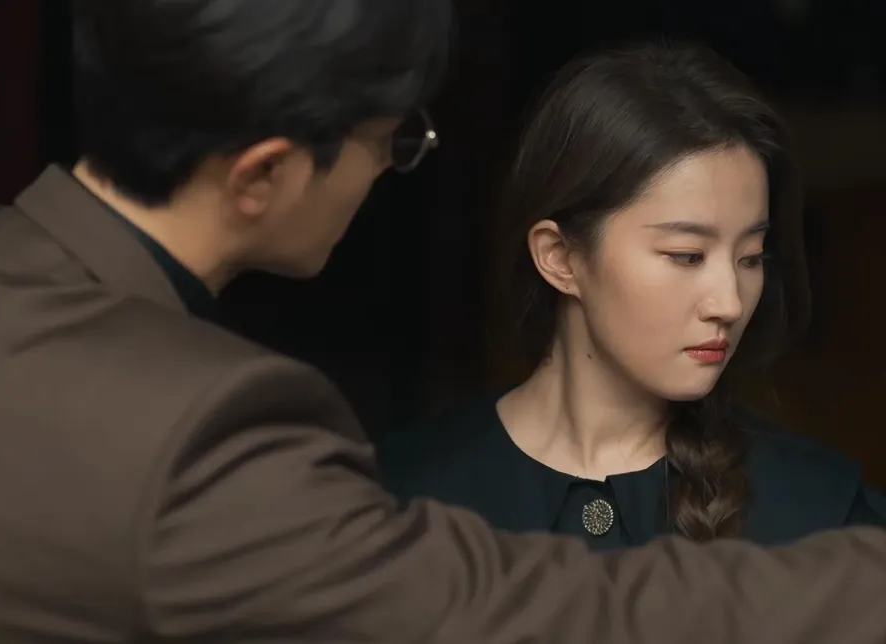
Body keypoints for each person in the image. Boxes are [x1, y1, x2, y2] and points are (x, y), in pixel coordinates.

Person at [0, 2, 883, 641]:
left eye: (751, 255)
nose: (390, 168)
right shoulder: (210, 440)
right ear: (265, 172)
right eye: (391, 140)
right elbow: (515, 614)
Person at [376, 42, 886, 550]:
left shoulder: (824, 513)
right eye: (687, 256)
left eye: (750, 257)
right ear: (559, 256)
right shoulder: (401, 499)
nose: (730, 303)